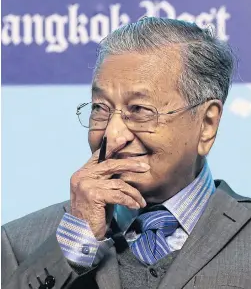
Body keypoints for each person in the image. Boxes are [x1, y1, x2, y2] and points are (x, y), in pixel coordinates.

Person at [2, 17, 251, 289]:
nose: (112, 135)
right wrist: (73, 245)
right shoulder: (20, 243)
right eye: (100, 108)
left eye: (140, 110)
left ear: (206, 124)